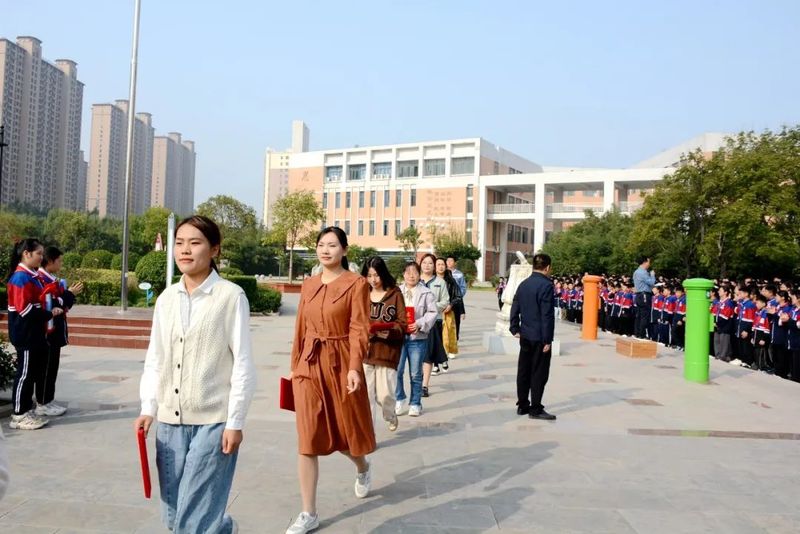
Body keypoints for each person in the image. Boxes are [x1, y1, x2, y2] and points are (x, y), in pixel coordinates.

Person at [135, 215, 256, 534]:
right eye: (179, 243)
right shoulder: (166, 299)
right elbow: (155, 358)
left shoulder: (230, 296)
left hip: (213, 423)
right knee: (174, 514)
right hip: (169, 423)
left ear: (214, 249)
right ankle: (223, 529)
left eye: (194, 242)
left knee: (194, 520)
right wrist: (148, 407)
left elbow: (243, 363)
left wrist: (235, 422)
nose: (185, 250)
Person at [286, 227, 375, 534]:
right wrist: (295, 366)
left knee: (343, 433)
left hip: (340, 363)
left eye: (333, 245)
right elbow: (300, 327)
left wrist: (354, 367)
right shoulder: (309, 284)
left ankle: (362, 466)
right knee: (308, 436)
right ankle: (308, 512)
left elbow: (359, 329)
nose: (325, 250)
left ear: (344, 250)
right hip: (309, 364)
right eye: (321, 244)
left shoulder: (356, 284)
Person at [7, 238, 62, 431]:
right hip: (25, 334)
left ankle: (26, 410)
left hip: (35, 333)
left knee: (31, 374)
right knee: (24, 374)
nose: (41, 257)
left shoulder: (31, 276)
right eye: (38, 253)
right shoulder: (20, 278)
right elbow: (25, 310)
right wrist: (49, 313)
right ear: (26, 253)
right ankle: (18, 415)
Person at [35, 246, 84, 417]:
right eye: (59, 260)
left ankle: (48, 400)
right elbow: (54, 303)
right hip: (48, 332)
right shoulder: (41, 280)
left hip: (55, 331)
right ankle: (42, 403)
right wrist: (69, 294)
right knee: (46, 368)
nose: (61, 264)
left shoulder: (51, 280)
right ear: (50, 261)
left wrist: (68, 296)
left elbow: (64, 305)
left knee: (52, 367)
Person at [361, 256, 406, 432]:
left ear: (383, 274)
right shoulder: (362, 294)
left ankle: (390, 414)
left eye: (377, 275)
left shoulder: (395, 294)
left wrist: (390, 332)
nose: (373, 280)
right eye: (369, 275)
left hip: (387, 352)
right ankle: (369, 436)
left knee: (385, 395)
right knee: (366, 397)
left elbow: (402, 323)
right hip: (365, 352)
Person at [509, 253, 556, 421]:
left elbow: (515, 306)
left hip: (525, 335)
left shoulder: (524, 284)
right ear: (547, 267)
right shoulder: (546, 285)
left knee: (524, 370)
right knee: (539, 373)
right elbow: (547, 315)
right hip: (539, 337)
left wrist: (514, 327)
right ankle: (535, 408)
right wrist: (547, 340)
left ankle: (522, 405)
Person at [395, 261, 438, 418]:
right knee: (397, 371)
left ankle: (415, 403)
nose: (411, 275)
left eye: (414, 272)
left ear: (419, 275)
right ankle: (399, 398)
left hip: (417, 339)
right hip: (399, 338)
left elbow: (432, 312)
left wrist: (419, 324)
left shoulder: (426, 293)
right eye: (408, 272)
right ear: (403, 274)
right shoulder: (396, 292)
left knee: (415, 373)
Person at [419, 254, 449, 384]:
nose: (427, 265)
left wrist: (431, 307)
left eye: (430, 263)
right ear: (420, 264)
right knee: (417, 353)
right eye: (424, 262)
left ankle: (424, 385)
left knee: (428, 354)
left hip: (434, 322)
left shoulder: (440, 282)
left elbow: (445, 301)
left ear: (434, 266)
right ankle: (418, 379)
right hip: (416, 322)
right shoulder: (415, 281)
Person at [436, 257, 462, 360]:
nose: (440, 267)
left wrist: (451, 305)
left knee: (448, 331)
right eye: (438, 264)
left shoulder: (451, 280)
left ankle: (449, 351)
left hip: (447, 310)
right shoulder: (431, 280)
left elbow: (458, 296)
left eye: (442, 264)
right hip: (433, 310)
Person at [633, 256, 657, 338]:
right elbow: (651, 282)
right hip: (644, 295)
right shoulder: (643, 272)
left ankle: (637, 333)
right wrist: (652, 275)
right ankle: (642, 334)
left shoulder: (636, 271)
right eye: (649, 262)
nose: (649, 264)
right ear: (644, 262)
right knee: (645, 315)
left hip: (639, 295)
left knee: (639, 315)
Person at [446, 256, 467, 338]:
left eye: (451, 261)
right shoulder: (443, 273)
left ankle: (455, 338)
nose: (449, 262)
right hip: (446, 301)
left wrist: (457, 297)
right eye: (447, 261)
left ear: (455, 263)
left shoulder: (459, 274)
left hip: (456, 301)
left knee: (456, 321)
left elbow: (463, 287)